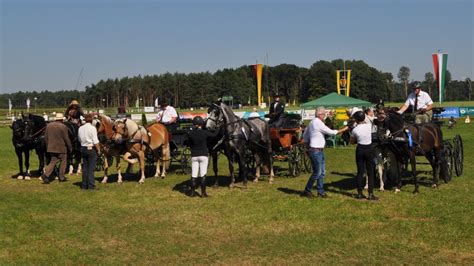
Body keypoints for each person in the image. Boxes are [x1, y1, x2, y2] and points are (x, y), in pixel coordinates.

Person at [301, 107, 348, 198]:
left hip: (317, 150)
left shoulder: (311, 122)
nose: (324, 116)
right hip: (316, 150)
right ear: (319, 114)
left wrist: (307, 145)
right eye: (323, 114)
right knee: (317, 172)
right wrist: (344, 129)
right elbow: (331, 132)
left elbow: (305, 135)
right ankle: (307, 190)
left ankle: (320, 192)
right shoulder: (318, 123)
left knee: (322, 172)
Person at [187, 116, 218, 197]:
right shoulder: (205, 132)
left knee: (194, 175)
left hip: (194, 155)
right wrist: (218, 128)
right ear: (201, 124)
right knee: (203, 175)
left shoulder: (191, 133)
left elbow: (188, 143)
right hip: (203, 155)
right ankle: (203, 193)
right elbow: (214, 135)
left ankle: (192, 192)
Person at [350, 111, 378, 200]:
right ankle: (370, 194)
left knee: (360, 172)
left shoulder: (355, 129)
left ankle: (359, 193)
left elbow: (352, 142)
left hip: (360, 149)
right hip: (369, 149)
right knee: (370, 173)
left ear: (356, 119)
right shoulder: (369, 126)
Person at [41, 113, 72, 184]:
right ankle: (61, 176)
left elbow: (46, 137)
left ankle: (46, 175)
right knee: (63, 160)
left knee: (53, 161)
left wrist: (47, 145)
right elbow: (66, 138)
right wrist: (70, 147)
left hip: (51, 147)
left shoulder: (48, 126)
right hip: (61, 147)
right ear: (61, 119)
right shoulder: (63, 127)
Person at [78, 113, 101, 190]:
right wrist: (99, 150)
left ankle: (84, 185)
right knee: (91, 168)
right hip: (90, 149)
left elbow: (79, 139)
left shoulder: (80, 128)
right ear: (91, 120)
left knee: (85, 168)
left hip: (83, 148)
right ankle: (91, 185)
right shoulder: (92, 128)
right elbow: (95, 141)